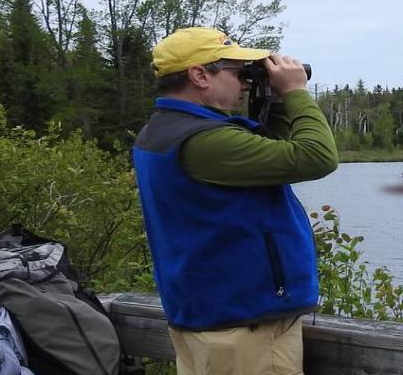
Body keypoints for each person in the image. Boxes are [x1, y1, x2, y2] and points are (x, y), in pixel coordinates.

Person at [132, 27, 338, 375]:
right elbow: (317, 156)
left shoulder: (164, 130)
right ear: (199, 74)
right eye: (237, 71)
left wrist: (271, 99)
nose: (245, 82)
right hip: (244, 330)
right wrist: (296, 92)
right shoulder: (206, 141)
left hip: (209, 318)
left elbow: (269, 153)